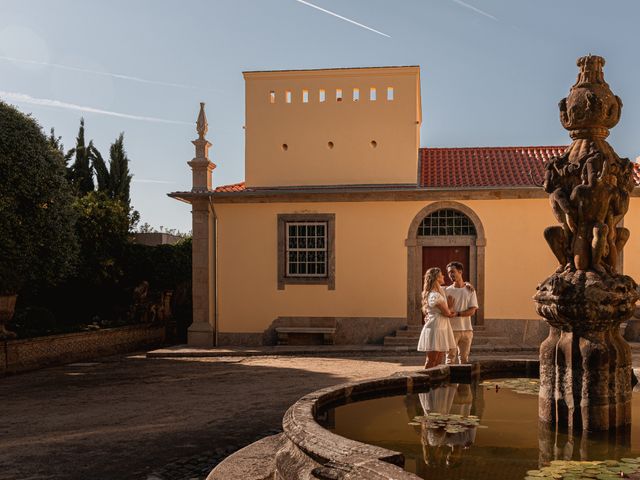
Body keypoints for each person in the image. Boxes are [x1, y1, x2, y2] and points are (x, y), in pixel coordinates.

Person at [418, 267, 456, 368]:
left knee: (438, 360)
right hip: (436, 328)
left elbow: (456, 286)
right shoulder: (434, 295)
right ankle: (426, 381)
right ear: (436, 278)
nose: (443, 276)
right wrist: (451, 307)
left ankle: (435, 381)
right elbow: (448, 313)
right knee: (431, 360)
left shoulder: (439, 291)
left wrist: (468, 285)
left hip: (442, 327)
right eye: (441, 275)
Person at [445, 262, 479, 364]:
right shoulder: (447, 290)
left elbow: (472, 310)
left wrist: (457, 314)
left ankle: (462, 380)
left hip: (467, 330)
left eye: (452, 272)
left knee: (464, 359)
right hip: (451, 330)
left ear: (460, 272)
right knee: (450, 358)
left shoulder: (470, 290)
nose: (450, 275)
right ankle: (449, 380)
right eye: (448, 273)